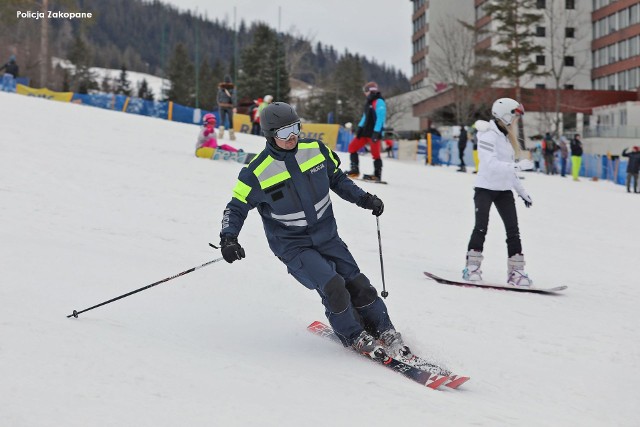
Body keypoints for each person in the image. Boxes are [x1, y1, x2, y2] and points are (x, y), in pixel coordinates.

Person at [217, 102, 412, 360]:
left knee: (358, 283)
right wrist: (228, 237)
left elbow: (339, 181)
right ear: (270, 135)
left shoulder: (315, 150)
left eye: (295, 129)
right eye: (284, 133)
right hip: (293, 246)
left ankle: (384, 330)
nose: (292, 137)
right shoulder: (256, 172)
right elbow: (236, 207)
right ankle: (353, 335)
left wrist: (365, 199)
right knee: (333, 285)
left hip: (327, 236)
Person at [463, 98, 534, 287]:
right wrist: (517, 165)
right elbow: (490, 164)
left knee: (513, 231)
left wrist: (522, 191)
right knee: (481, 227)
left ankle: (516, 272)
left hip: (504, 191)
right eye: (515, 115)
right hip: (485, 188)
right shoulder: (488, 135)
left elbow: (508, 172)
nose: (517, 120)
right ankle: (472, 267)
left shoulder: (506, 138)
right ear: (506, 115)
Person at [345, 82, 387, 181]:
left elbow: (380, 118)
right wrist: (359, 127)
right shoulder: (368, 102)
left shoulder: (379, 102)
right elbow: (365, 116)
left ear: (370, 91)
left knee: (375, 154)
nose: (364, 93)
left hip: (374, 132)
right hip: (365, 132)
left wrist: (376, 132)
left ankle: (377, 175)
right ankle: (354, 170)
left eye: (365, 91)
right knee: (352, 147)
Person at [217, 75, 237, 141]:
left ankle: (220, 134)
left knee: (222, 120)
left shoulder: (221, 88)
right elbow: (233, 98)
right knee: (230, 120)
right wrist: (234, 106)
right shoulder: (232, 88)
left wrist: (220, 103)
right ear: (230, 81)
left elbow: (218, 97)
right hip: (229, 106)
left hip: (221, 106)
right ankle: (231, 136)